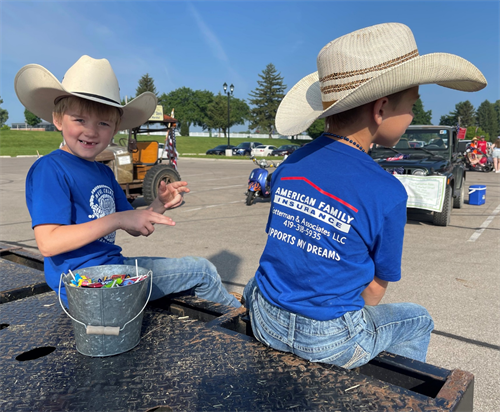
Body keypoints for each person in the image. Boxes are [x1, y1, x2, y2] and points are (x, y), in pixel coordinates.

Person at [243, 23, 486, 369]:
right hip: (329, 341)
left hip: (266, 320)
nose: (413, 115)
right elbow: (373, 292)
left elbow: (283, 248)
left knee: (258, 281)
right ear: (382, 109)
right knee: (418, 319)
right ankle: (392, 394)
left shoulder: (288, 166)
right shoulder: (386, 190)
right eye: (412, 105)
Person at [15, 55, 241, 308]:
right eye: (79, 120)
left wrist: (158, 205)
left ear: (115, 129)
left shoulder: (102, 173)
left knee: (190, 277)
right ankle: (243, 325)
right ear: (58, 120)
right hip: (84, 287)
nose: (91, 131)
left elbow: (133, 225)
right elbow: (49, 242)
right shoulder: (51, 168)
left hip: (111, 272)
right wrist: (118, 219)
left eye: (103, 123)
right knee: (203, 271)